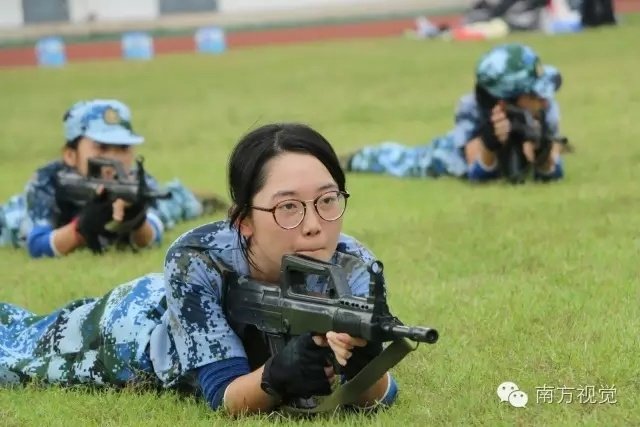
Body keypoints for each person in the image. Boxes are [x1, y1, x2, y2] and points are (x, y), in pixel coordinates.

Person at [0, 123, 398, 415]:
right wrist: (277, 375)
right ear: (243, 220)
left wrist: (366, 363)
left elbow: (378, 394)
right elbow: (224, 397)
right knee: (17, 350)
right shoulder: (197, 258)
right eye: (287, 207)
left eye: (328, 200)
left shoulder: (355, 265)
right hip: (133, 329)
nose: (314, 224)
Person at [0, 99, 228, 257]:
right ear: (70, 154)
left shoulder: (137, 181)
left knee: (175, 203)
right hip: (21, 214)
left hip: (153, 198)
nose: (114, 159)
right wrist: (79, 228)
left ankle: (191, 196)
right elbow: (36, 244)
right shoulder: (47, 181)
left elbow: (151, 236)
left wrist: (136, 220)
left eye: (123, 148)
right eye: (101, 147)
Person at [343, 43, 567, 183]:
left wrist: (543, 150)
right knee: (404, 161)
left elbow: (550, 171)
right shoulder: (473, 110)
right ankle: (355, 159)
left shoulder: (544, 106)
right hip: (448, 155)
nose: (543, 98)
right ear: (507, 99)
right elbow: (478, 173)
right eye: (532, 93)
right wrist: (490, 144)